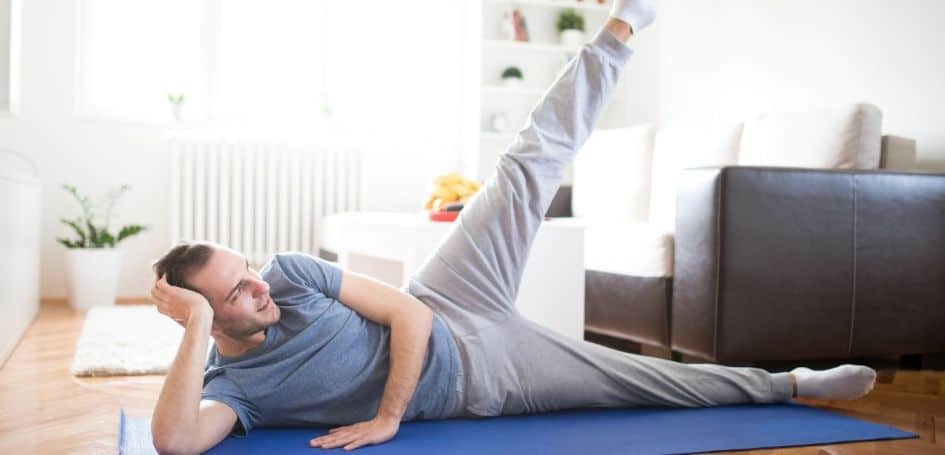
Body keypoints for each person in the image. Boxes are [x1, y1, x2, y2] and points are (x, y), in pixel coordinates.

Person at [148, 2, 877, 453]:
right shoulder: (238, 392)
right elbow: (176, 440)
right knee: (649, 383)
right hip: (486, 377)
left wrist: (388, 415)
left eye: (247, 268)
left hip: (448, 299)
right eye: (234, 293)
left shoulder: (291, 275)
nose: (257, 282)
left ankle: (621, 28)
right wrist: (190, 330)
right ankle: (789, 384)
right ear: (206, 317)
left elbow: (406, 310)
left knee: (523, 165)